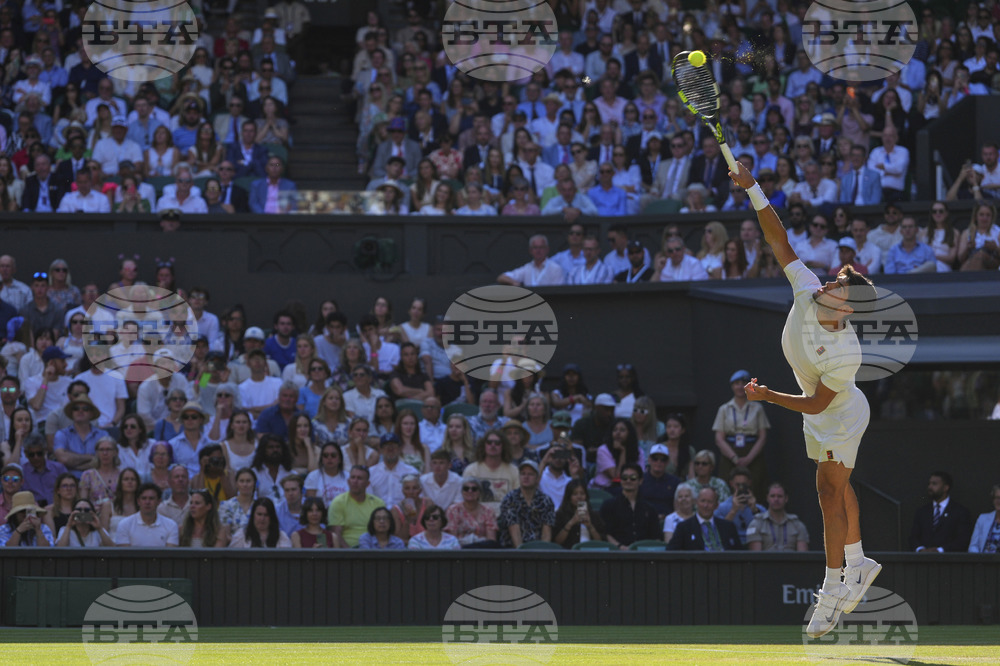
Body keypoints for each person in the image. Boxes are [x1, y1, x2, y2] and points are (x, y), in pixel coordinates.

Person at [729, 160, 881, 638]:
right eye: (833, 278)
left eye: (838, 285)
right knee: (830, 490)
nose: (829, 283)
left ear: (847, 305)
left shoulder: (846, 354)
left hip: (839, 416)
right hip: (818, 414)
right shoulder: (806, 287)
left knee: (828, 496)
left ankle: (835, 584)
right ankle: (859, 563)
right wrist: (753, 188)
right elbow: (779, 240)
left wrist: (767, 396)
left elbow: (817, 405)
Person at [712, 369, 771, 496]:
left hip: (752, 452)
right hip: (730, 452)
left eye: (743, 383)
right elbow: (719, 438)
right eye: (736, 383)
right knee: (727, 486)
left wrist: (749, 458)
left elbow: (762, 437)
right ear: (732, 386)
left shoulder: (757, 408)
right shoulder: (724, 409)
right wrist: (734, 458)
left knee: (756, 485)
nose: (740, 387)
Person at [600, 463, 661, 550]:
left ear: (640, 481)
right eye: (624, 478)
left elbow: (656, 537)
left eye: (633, 478)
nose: (628, 481)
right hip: (617, 555)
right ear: (620, 480)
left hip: (645, 555)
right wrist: (620, 547)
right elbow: (606, 534)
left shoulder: (650, 509)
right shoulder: (609, 505)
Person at [909, 471, 974, 553]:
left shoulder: (960, 512)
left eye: (934, 484)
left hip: (948, 562)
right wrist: (920, 549)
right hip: (922, 562)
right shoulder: (922, 512)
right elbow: (913, 537)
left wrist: (939, 550)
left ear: (945, 488)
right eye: (929, 484)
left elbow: (962, 539)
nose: (930, 487)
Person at [497, 460, 555, 548]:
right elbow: (514, 530)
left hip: (538, 550)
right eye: (523, 474)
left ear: (537, 478)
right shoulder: (510, 499)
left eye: (530, 474)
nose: (526, 477)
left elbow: (546, 533)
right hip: (512, 551)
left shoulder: (546, 500)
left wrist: (543, 554)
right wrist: (523, 556)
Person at [668, 487, 743, 552]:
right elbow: (670, 552)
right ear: (697, 502)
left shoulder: (728, 526)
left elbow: (739, 553)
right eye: (703, 501)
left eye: (710, 502)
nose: (705, 505)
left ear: (716, 505)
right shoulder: (684, 527)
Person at [328, 466, 385, 548]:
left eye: (359, 478)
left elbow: (384, 532)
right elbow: (336, 535)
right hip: (349, 551)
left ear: (367, 484)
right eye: (353, 477)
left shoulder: (378, 503)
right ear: (348, 481)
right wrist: (352, 555)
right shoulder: (338, 502)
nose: (355, 481)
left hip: (373, 549)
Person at [746, 482, 811, 551]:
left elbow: (803, 557)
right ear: (767, 498)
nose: (776, 499)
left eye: (779, 496)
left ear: (786, 499)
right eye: (772, 496)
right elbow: (756, 557)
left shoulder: (797, 525)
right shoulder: (756, 524)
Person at [114, 483, 179, 547]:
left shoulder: (171, 526)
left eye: (151, 498)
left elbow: (170, 556)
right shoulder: (124, 525)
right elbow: (124, 555)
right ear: (138, 501)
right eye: (144, 498)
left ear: (159, 501)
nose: (147, 502)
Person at [714, 467, 766, 545]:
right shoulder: (721, 508)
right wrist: (733, 511)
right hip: (731, 545)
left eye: (744, 485)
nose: (741, 488)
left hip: (753, 544)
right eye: (737, 485)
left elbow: (766, 530)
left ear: (749, 483)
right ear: (731, 484)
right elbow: (718, 532)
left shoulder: (760, 509)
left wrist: (755, 511)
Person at [591, 418, 644, 491]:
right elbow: (617, 477)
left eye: (622, 430)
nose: (618, 433)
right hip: (604, 489)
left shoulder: (638, 451)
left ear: (629, 433)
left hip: (631, 489)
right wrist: (623, 451)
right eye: (615, 430)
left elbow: (640, 475)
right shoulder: (603, 450)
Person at [369, 434, 419, 508]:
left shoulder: (411, 472)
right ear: (381, 450)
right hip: (378, 515)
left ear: (399, 449)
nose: (390, 449)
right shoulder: (371, 472)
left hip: (404, 514)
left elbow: (418, 498)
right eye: (386, 446)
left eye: (393, 446)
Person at [552, 479, 605, 549]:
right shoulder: (560, 515)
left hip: (591, 554)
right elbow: (556, 542)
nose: (579, 497)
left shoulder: (594, 515)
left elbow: (601, 543)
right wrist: (571, 523)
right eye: (575, 494)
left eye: (582, 493)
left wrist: (590, 526)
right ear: (569, 497)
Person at [497, 235, 566, 287]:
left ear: (547, 249)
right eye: (535, 248)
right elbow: (501, 277)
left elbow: (557, 292)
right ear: (530, 251)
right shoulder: (527, 268)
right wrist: (514, 283)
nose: (538, 251)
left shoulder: (555, 269)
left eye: (541, 247)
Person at [639, 444, 682, 524]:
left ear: (667, 462)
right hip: (643, 521)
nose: (659, 462)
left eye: (663, 459)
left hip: (668, 521)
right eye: (655, 459)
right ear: (649, 460)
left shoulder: (675, 482)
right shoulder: (640, 480)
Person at [20, 434, 66, 506]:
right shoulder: (22, 473)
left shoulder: (58, 468)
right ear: (26, 454)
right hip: (33, 511)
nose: (36, 457)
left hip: (58, 510)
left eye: (39, 453)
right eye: (31, 454)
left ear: (45, 451)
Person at [78, 437, 120, 505]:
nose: (105, 453)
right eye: (101, 450)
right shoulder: (87, 475)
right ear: (97, 453)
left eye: (108, 449)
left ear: (115, 452)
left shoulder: (122, 474)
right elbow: (83, 502)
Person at [219, 468, 256, 535]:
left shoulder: (259, 506)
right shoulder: (226, 505)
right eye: (241, 481)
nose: (245, 484)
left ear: (254, 483)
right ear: (236, 484)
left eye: (248, 481)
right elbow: (224, 534)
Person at [968, 484, 1000, 553]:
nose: (998, 501)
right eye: (997, 498)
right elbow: (973, 546)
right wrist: (979, 560)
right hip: (984, 562)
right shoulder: (983, 519)